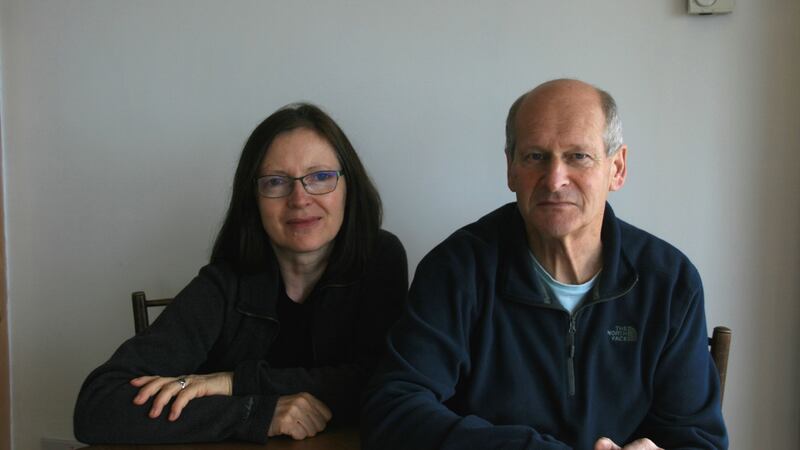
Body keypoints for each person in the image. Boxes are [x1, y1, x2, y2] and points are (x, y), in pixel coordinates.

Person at [361, 79, 727, 449]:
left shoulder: (669, 281)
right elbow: (394, 410)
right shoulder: (457, 270)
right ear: (511, 169)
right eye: (535, 156)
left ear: (616, 168)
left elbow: (699, 439)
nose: (554, 180)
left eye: (578, 156)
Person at [74, 103, 408, 444]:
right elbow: (98, 406)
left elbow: (385, 383)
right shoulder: (226, 281)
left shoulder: (380, 258)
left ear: (348, 187)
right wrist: (255, 413)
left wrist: (233, 383)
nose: (299, 198)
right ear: (254, 199)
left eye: (320, 177)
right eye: (276, 182)